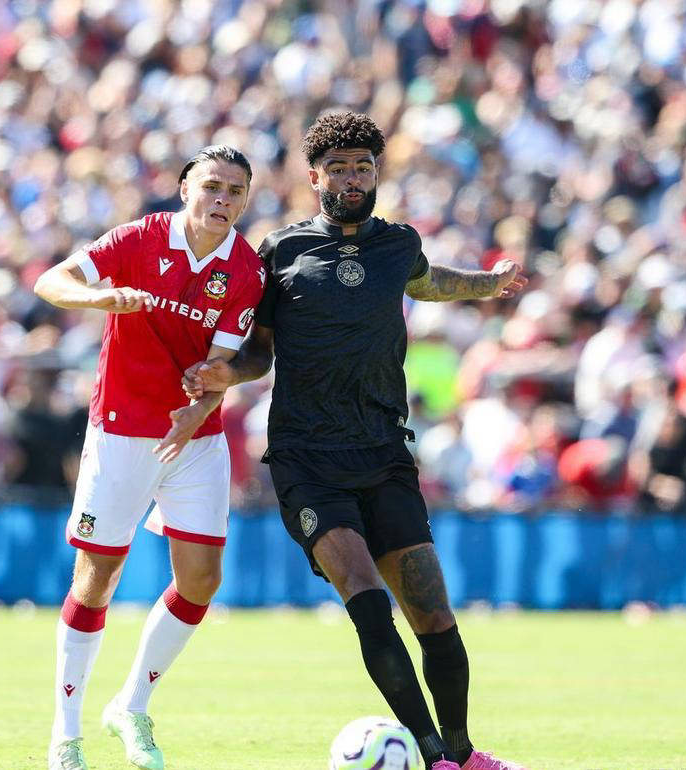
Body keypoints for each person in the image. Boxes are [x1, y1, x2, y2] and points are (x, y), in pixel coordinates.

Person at [184, 112, 528, 770]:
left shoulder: (398, 245)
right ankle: (431, 754)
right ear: (315, 178)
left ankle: (462, 753)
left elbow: (428, 280)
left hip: (384, 453)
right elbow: (259, 351)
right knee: (370, 603)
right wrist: (228, 373)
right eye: (337, 168)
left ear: (376, 174)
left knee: (434, 614)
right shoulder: (280, 251)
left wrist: (486, 284)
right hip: (308, 459)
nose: (351, 178)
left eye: (362, 167)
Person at [32, 145, 264, 770]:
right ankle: (66, 735)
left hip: (195, 438)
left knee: (202, 579)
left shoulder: (245, 269)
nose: (222, 199)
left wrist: (201, 407)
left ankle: (131, 704)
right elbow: (50, 282)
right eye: (212, 186)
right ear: (186, 188)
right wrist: (100, 301)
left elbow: (221, 364)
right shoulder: (138, 238)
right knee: (96, 581)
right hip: (121, 430)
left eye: (235, 191)